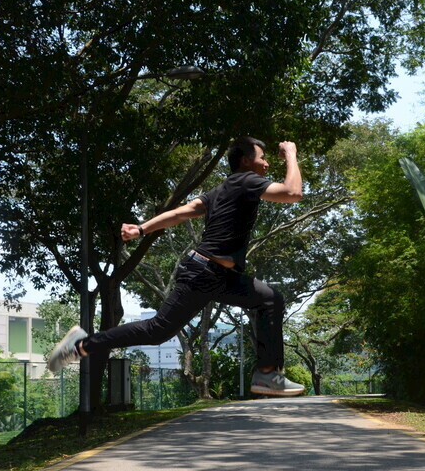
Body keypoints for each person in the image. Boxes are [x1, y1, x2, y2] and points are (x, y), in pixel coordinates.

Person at [46, 137, 305, 397]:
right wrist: (291, 154)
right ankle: (81, 345)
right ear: (246, 160)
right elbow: (292, 193)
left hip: (221, 277)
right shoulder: (246, 180)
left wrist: (142, 228)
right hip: (203, 274)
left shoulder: (224, 189)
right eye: (262, 158)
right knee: (157, 330)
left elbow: (183, 212)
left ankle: (267, 373)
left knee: (270, 299)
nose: (267, 164)